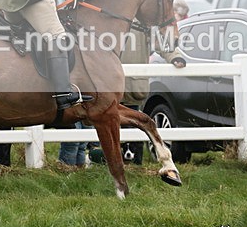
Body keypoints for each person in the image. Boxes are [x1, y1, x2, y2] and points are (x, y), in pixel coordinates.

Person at [66, 25, 186, 165]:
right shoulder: (107, 21)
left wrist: (175, 57)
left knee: (134, 135)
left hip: (131, 90)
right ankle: (107, 167)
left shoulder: (143, 24)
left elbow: (161, 43)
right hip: (106, 91)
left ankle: (134, 168)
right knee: (107, 135)